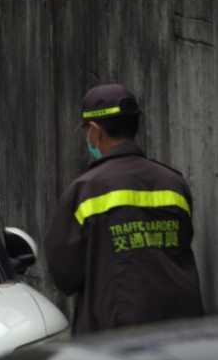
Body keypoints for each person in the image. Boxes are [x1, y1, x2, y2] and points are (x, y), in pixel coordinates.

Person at [44, 84, 204, 335]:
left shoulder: (84, 191)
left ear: (94, 131)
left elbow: (65, 275)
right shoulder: (174, 183)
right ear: (137, 127)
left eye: (86, 131)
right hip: (180, 330)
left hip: (114, 336)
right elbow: (182, 243)